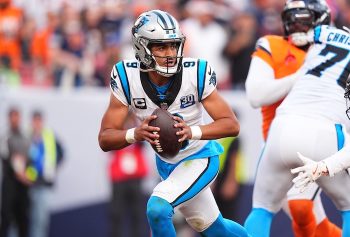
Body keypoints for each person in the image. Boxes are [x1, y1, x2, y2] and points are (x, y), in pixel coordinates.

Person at [98, 9, 249, 237]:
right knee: (216, 229)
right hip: (167, 165)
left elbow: (231, 125)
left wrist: (192, 131)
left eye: (173, 45)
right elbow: (105, 138)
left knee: (157, 208)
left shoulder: (195, 72)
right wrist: (135, 134)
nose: (170, 53)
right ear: (142, 47)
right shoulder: (125, 77)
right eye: (161, 46)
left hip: (200, 159)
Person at [243, 4, 350, 237]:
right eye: (294, 20)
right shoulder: (274, 44)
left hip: (282, 131)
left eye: (305, 20)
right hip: (320, 132)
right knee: (330, 210)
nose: (299, 26)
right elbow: (256, 96)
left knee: (288, 209)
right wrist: (299, 76)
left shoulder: (318, 48)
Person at [108, 113, 149, 237]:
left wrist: (135, 127)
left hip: (135, 178)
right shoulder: (116, 132)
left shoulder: (138, 132)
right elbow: (109, 145)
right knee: (116, 212)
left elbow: (143, 144)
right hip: (119, 178)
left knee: (137, 213)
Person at [27, 110, 64, 237]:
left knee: (41, 219)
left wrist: (53, 167)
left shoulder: (49, 136)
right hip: (29, 183)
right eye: (35, 121)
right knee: (29, 218)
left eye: (39, 121)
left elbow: (61, 153)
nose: (37, 124)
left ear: (42, 122)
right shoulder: (28, 137)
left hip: (44, 183)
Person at [0, 107, 31, 237]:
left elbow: (29, 160)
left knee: (23, 220)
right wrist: (19, 171)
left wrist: (28, 175)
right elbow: (6, 157)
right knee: (6, 218)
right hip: (10, 184)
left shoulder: (25, 138)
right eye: (13, 117)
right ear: (9, 119)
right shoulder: (5, 137)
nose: (15, 120)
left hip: (23, 186)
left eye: (17, 116)